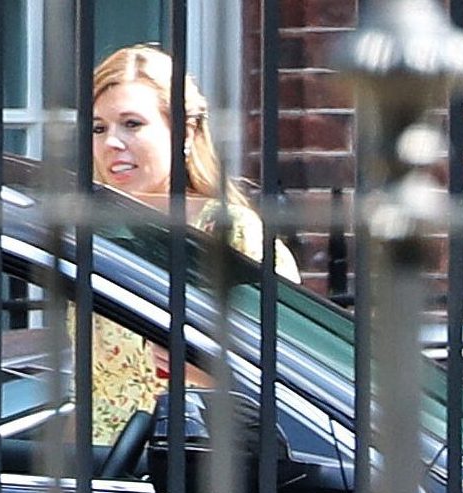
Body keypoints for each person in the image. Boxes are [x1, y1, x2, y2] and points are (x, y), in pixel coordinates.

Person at [79, 44, 300, 445]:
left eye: (131, 124)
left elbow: (295, 367)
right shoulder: (97, 232)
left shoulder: (226, 231)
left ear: (186, 131)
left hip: (195, 461)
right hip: (105, 468)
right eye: (99, 128)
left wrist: (213, 369)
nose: (111, 143)